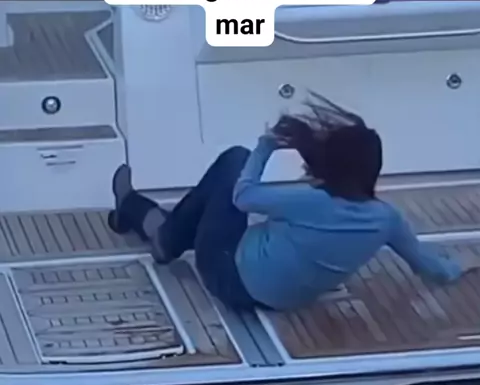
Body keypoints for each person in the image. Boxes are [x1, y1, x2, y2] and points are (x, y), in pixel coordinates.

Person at [108, 93, 474, 312]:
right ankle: (161, 229)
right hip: (287, 300)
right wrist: (463, 266)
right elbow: (430, 266)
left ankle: (158, 232)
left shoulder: (307, 201)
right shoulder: (387, 219)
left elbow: (244, 196)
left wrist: (265, 146)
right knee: (212, 214)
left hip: (228, 278)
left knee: (235, 161)